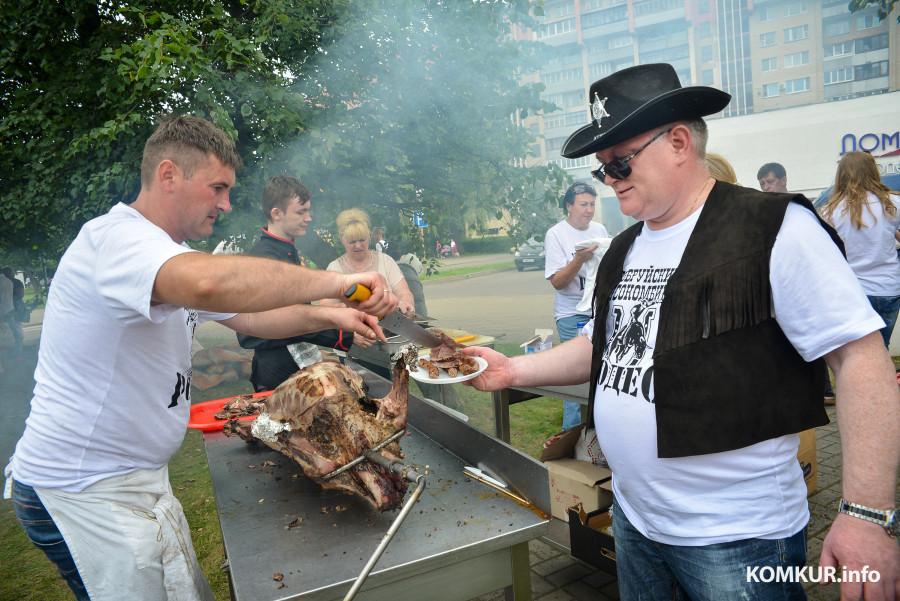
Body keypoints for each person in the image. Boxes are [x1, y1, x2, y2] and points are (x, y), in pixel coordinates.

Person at [462, 64, 900, 601]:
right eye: (602, 168)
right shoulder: (623, 247)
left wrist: (865, 515)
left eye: (619, 160)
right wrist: (511, 369)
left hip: (736, 541)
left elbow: (862, 361)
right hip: (635, 521)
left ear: (677, 142)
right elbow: (602, 347)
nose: (609, 178)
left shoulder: (773, 227)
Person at [6, 115, 398, 601]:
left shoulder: (169, 253)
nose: (226, 204)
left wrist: (336, 318)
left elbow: (255, 318)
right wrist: (341, 284)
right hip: (84, 491)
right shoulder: (117, 240)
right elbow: (211, 282)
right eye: (218, 188)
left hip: (134, 481)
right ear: (168, 175)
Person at [235, 175, 376, 392]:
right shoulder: (265, 258)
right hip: (278, 371)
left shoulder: (286, 250)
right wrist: (342, 335)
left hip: (294, 364)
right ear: (277, 213)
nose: (308, 218)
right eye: (301, 212)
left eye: (308, 211)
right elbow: (278, 323)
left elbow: (299, 313)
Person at [544, 182, 609, 430]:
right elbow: (558, 282)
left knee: (600, 376)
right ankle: (569, 442)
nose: (589, 210)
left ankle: (595, 436)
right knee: (575, 378)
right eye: (584, 204)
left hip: (597, 312)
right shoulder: (556, 234)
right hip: (571, 314)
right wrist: (580, 258)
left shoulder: (599, 229)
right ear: (569, 206)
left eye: (592, 204)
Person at [821, 151, 900, 349]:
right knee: (882, 348)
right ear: (872, 171)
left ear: (841, 175)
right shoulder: (892, 203)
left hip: (853, 291)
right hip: (889, 289)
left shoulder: (830, 212)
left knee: (857, 353)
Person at [324, 208, 416, 314]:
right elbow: (325, 306)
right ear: (342, 240)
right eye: (352, 242)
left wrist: (405, 302)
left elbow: (405, 294)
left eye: (362, 240)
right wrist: (348, 308)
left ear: (369, 236)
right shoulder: (334, 269)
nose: (358, 246)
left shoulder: (386, 261)